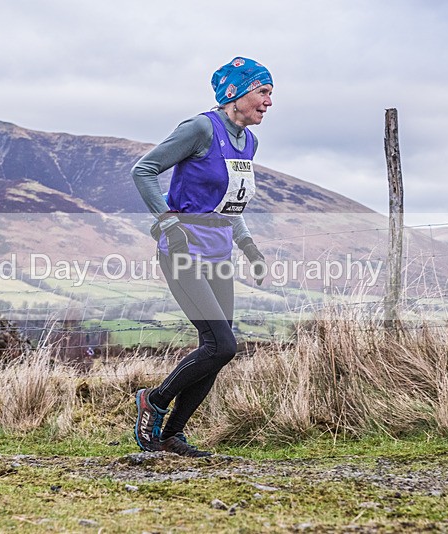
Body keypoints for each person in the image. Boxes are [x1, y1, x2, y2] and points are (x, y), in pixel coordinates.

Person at [131, 57, 272, 457]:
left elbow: (231, 205)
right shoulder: (200, 128)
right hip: (182, 251)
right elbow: (144, 170)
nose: (268, 102)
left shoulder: (250, 142)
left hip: (219, 252)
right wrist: (168, 223)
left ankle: (171, 435)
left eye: (270, 94)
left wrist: (248, 246)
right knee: (222, 344)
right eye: (262, 92)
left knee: (215, 350)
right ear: (237, 94)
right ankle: (154, 401)